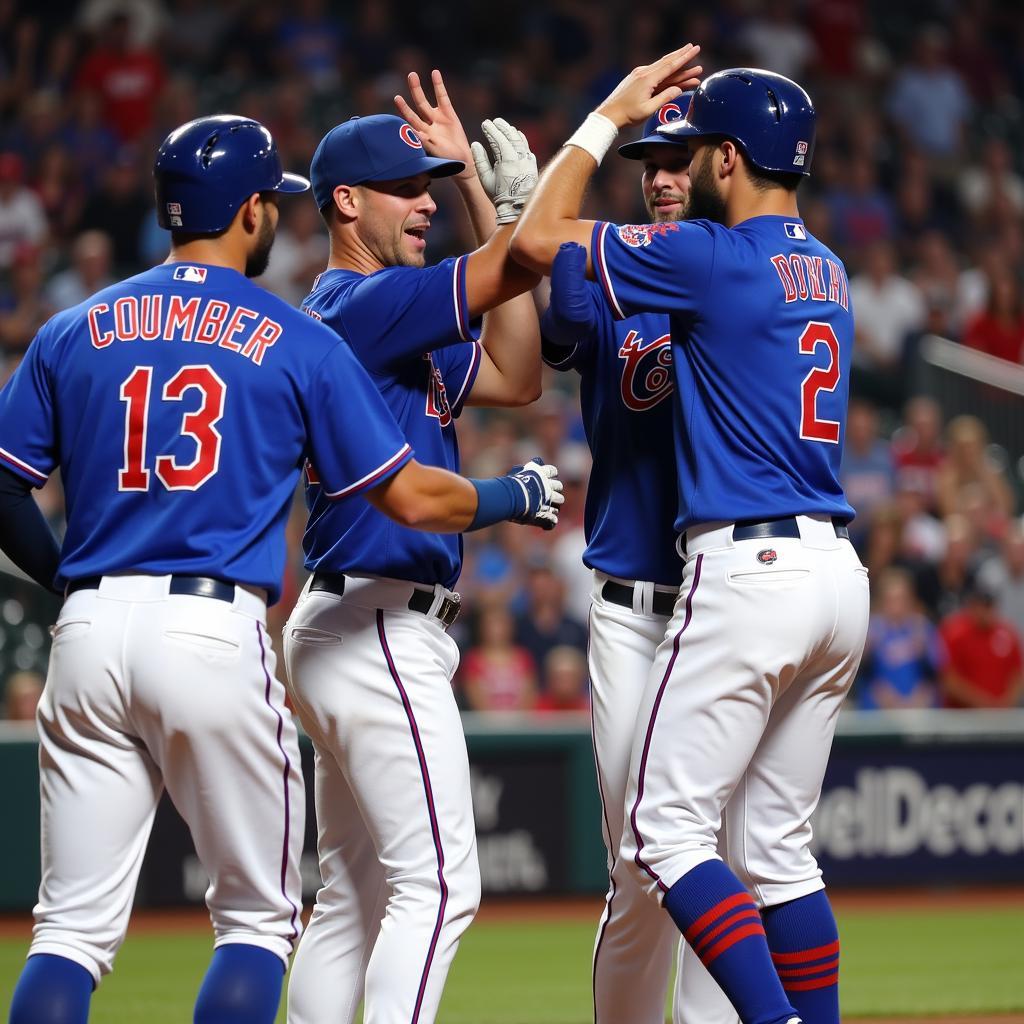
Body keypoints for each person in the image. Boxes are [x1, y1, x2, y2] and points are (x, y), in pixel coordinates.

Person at [2, 114, 561, 1024]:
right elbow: (418, 490)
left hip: (96, 623)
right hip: (258, 620)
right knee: (278, 920)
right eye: (274, 203)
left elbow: (516, 370)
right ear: (256, 212)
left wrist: (69, 582)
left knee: (72, 932)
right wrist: (496, 192)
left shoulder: (77, 325)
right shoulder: (317, 327)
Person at [512, 55, 870, 1024]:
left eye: (698, 149)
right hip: (833, 570)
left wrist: (593, 127)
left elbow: (547, 233)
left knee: (663, 831)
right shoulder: (823, 267)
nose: (681, 168)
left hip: (745, 570)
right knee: (778, 851)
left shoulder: (710, 259)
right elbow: (562, 312)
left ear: (726, 156)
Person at [283, 71, 549, 1024]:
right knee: (441, 887)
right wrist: (499, 200)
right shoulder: (366, 304)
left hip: (346, 616)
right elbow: (510, 273)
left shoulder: (387, 317)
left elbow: (521, 374)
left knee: (353, 899)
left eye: (431, 188)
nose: (425, 202)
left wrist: (474, 194)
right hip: (379, 620)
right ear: (345, 203)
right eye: (408, 187)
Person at [539, 97, 735, 1024]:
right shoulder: (608, 263)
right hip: (629, 605)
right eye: (648, 161)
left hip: (722, 597)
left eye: (679, 159)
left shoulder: (740, 274)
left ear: (715, 166)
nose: (660, 176)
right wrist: (520, 222)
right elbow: (557, 331)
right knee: (638, 855)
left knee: (716, 852)